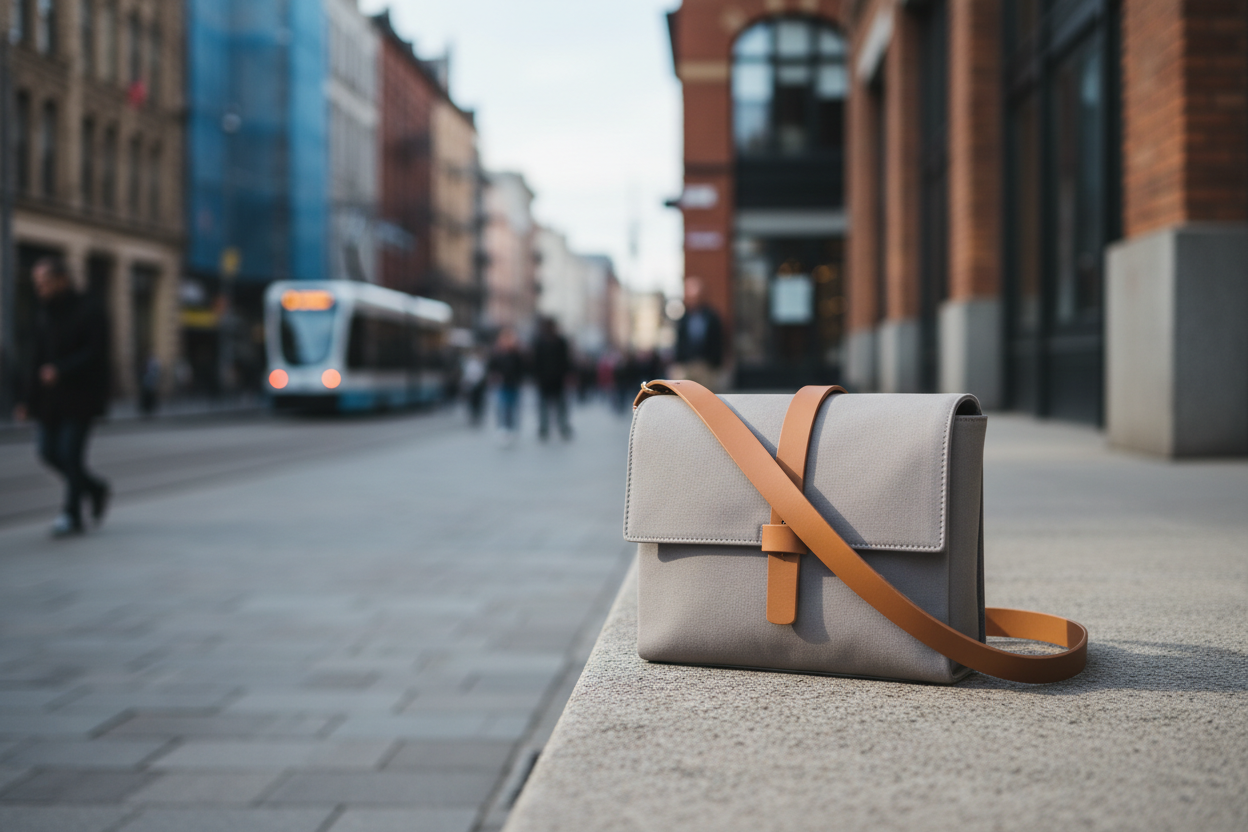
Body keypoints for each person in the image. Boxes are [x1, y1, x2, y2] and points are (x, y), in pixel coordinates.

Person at [12, 257, 112, 537]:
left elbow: (96, 353)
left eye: (44, 282)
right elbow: (35, 360)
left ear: (62, 280)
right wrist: (25, 401)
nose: (39, 288)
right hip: (49, 401)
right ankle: (94, 488)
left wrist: (61, 370)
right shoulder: (43, 314)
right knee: (47, 452)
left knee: (70, 454)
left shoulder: (90, 309)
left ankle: (71, 515)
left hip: (81, 398)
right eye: (36, 283)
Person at [673, 276, 724, 390]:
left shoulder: (711, 317)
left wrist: (715, 363)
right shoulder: (683, 318)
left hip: (706, 366)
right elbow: (679, 342)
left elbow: (718, 341)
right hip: (686, 365)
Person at [532, 318, 573, 440]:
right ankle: (545, 428)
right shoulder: (540, 342)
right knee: (545, 406)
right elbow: (535, 362)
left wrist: (567, 374)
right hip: (545, 380)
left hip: (557, 380)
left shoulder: (560, 341)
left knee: (560, 406)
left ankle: (562, 427)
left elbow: (566, 361)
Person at [488, 328, 525, 441]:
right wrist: (495, 376)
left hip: (514, 384)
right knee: (502, 406)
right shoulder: (497, 354)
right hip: (502, 384)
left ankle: (512, 428)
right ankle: (503, 428)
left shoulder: (517, 354)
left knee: (513, 407)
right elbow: (491, 367)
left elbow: (522, 369)